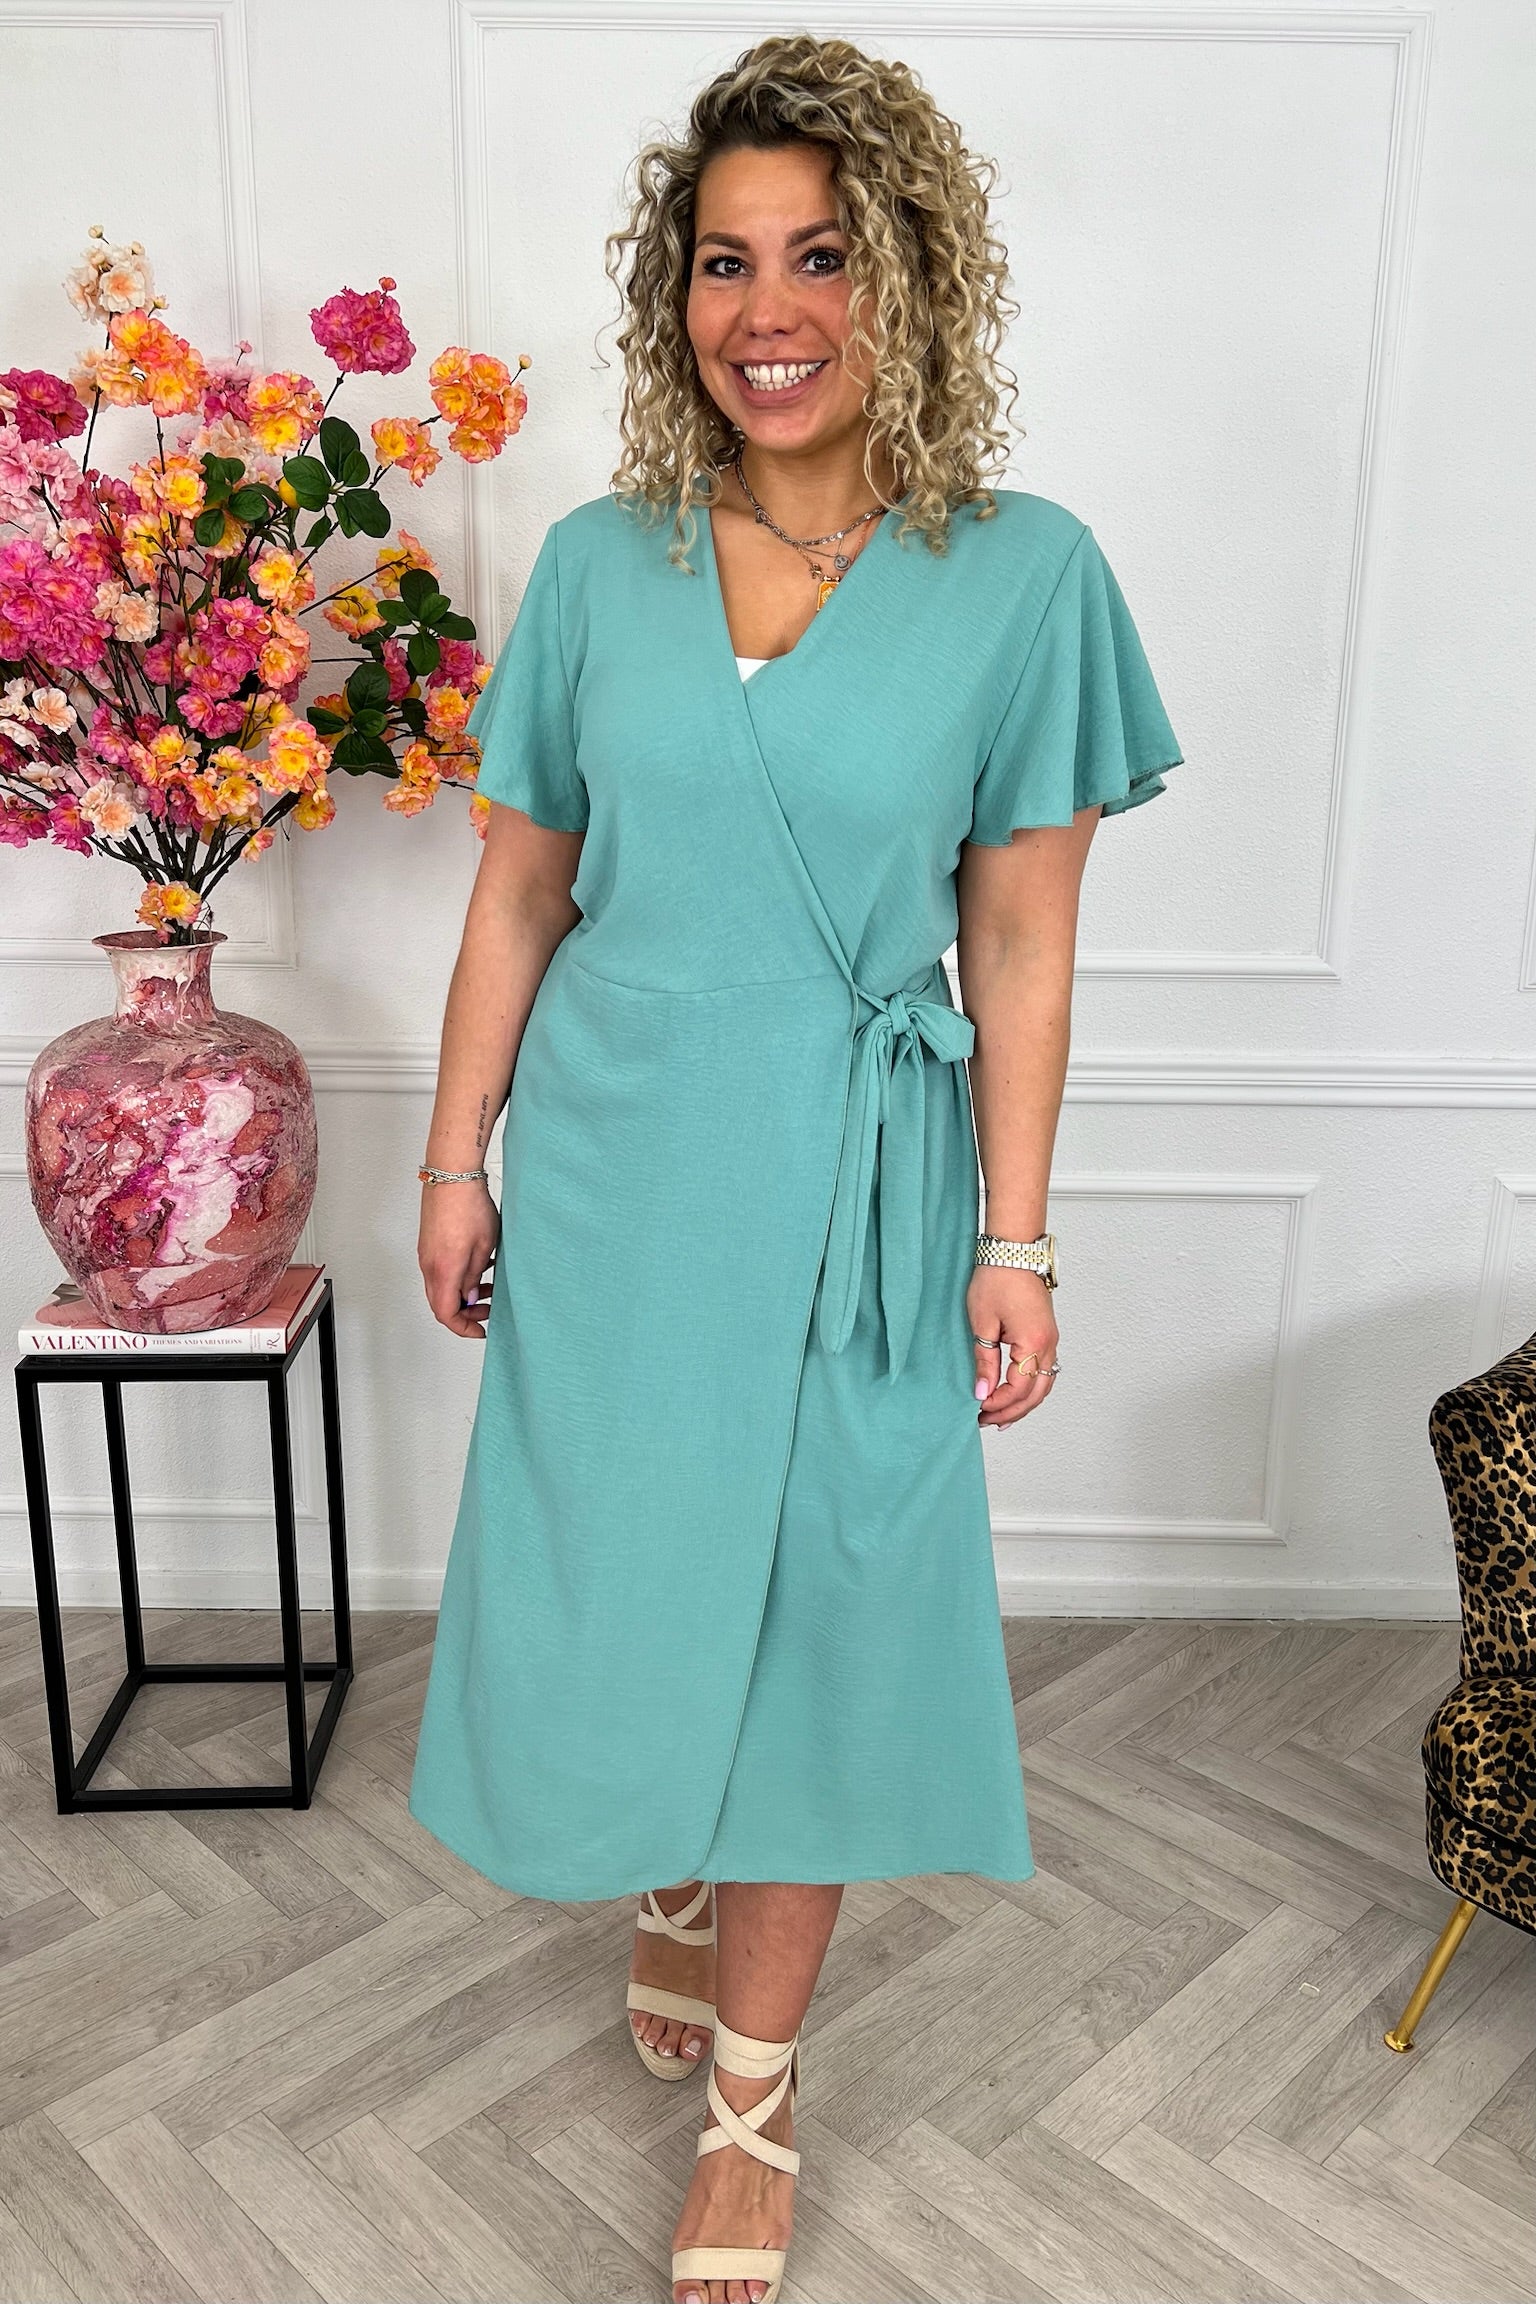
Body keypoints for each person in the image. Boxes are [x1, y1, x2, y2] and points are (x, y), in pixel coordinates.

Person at [407, 32, 1183, 2304]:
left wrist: (1018, 1236)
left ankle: (753, 2108)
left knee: (826, 1610)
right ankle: (670, 1860)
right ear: (677, 299)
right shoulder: (598, 563)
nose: (769, 310)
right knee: (636, 1561)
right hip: (621, 1159)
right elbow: (519, 891)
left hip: (862, 1181)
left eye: (822, 256)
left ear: (906, 275)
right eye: (725, 261)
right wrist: (456, 1158)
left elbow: (1020, 940)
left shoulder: (1024, 575)